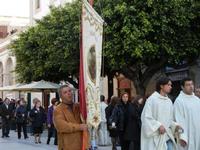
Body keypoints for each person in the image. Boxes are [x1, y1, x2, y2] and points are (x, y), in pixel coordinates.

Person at [141, 77, 180, 150]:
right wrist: (158, 126)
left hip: (167, 136)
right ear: (161, 86)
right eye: (168, 85)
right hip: (155, 136)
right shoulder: (152, 100)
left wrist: (175, 126)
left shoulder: (169, 101)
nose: (170, 87)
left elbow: (170, 119)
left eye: (171, 85)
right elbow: (146, 117)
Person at [53, 85, 88, 150]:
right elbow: (62, 126)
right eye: (65, 92)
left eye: (69, 91)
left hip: (81, 145)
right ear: (61, 96)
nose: (69, 93)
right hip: (67, 146)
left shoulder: (78, 106)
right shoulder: (58, 109)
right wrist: (80, 127)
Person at [174, 77, 200, 150]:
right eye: (188, 85)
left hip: (198, 133)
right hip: (187, 135)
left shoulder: (197, 100)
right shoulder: (179, 101)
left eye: (192, 84)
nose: (191, 86)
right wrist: (182, 137)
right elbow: (178, 120)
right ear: (182, 87)